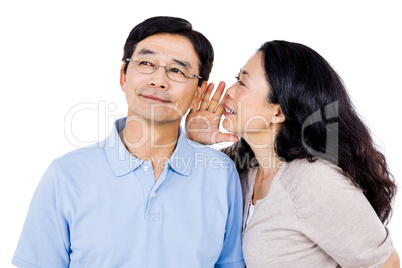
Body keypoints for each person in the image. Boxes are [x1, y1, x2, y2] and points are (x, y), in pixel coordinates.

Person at [12, 16, 245, 268]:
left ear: (199, 91)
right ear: (123, 75)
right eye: (146, 63)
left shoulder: (221, 173)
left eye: (177, 70)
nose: (158, 80)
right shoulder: (66, 174)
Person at [186, 40, 400, 267]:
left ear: (278, 112)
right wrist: (195, 143)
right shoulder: (243, 164)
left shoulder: (313, 181)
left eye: (242, 83)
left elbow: (387, 264)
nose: (228, 91)